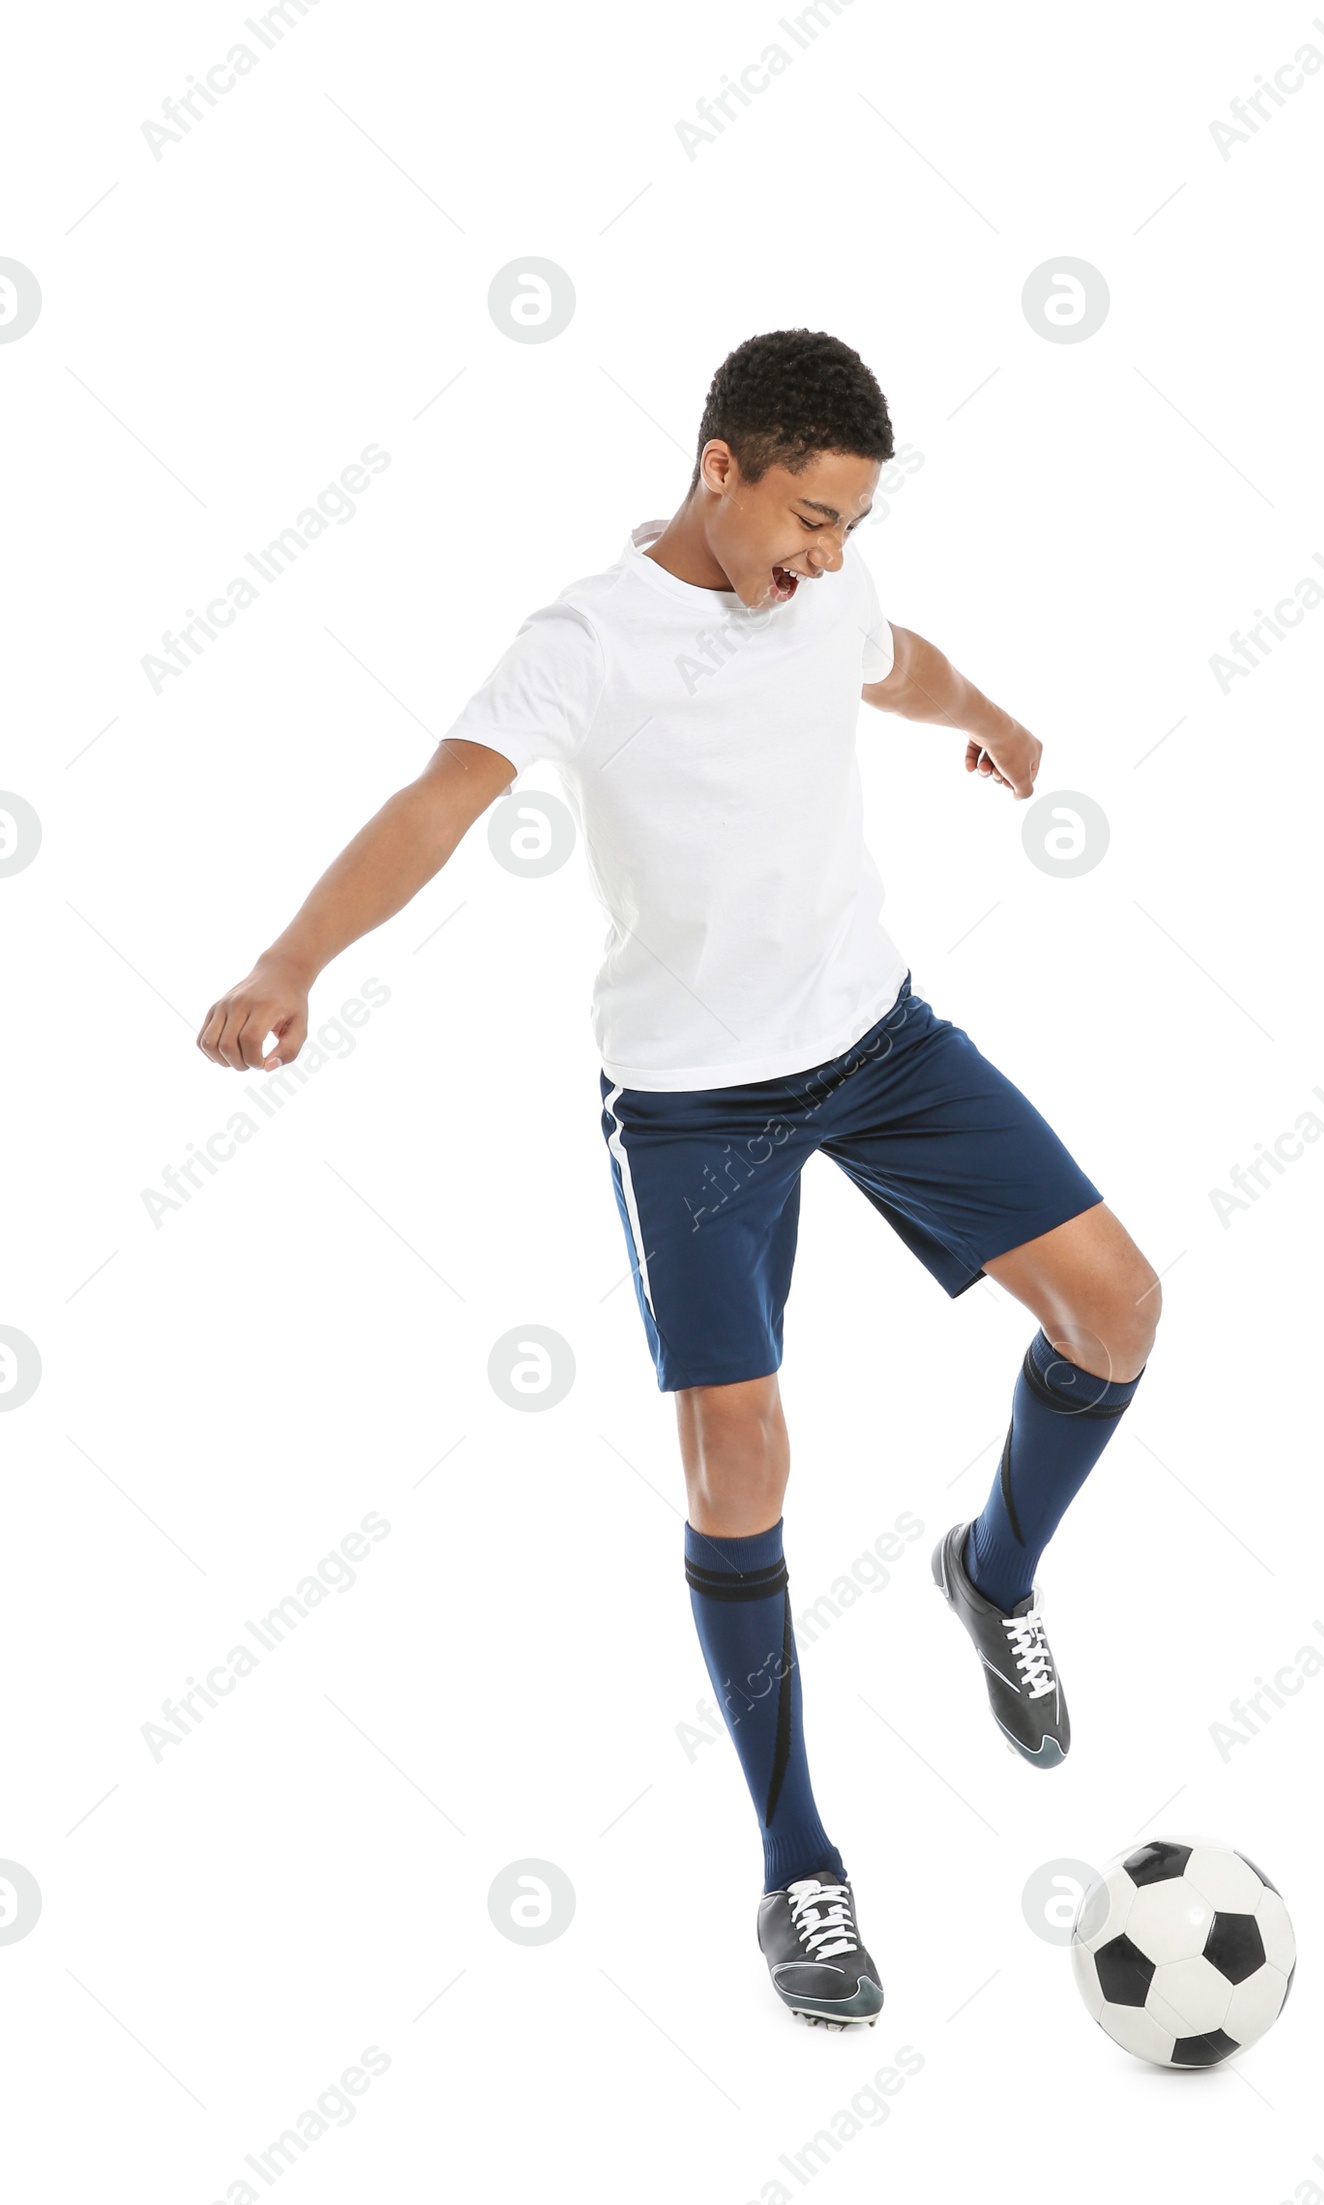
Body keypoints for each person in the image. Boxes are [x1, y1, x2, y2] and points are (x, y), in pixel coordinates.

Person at [197, 327, 1161, 2031]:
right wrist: (293, 961)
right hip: (698, 1107)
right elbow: (439, 799)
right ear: (719, 464)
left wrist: (997, 714)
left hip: (880, 1045)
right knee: (739, 1461)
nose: (828, 555)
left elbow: (899, 656)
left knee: (1119, 1308)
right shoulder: (588, 637)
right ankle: (801, 1864)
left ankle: (991, 1572)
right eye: (808, 513)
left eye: (854, 522)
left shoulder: (827, 596)